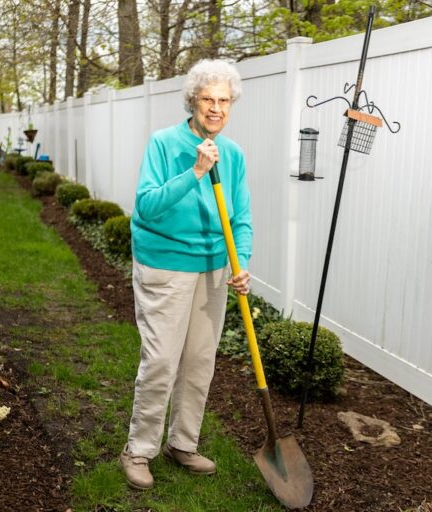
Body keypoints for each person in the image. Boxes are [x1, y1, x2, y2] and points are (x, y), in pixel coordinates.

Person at [120, 59, 252, 490]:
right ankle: (139, 450)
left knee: (199, 361)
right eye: (208, 99)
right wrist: (194, 172)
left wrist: (242, 262)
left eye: (224, 100)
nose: (216, 107)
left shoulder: (232, 155)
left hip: (213, 267)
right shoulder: (164, 144)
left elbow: (242, 217)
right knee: (160, 360)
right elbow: (147, 205)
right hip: (165, 264)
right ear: (192, 100)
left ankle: (183, 443)